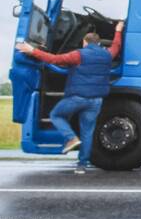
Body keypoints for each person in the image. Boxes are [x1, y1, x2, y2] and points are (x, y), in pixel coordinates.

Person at [15, 21, 124, 173]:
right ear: (98, 43)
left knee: (56, 115)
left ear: (84, 42)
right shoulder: (107, 55)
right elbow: (116, 47)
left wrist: (32, 51)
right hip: (96, 101)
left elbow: (54, 60)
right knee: (87, 131)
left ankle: (71, 138)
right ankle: (82, 165)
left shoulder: (78, 55)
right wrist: (118, 31)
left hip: (77, 98)